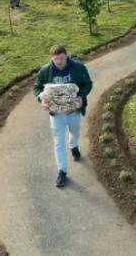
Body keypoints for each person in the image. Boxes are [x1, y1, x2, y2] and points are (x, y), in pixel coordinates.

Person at [33, 45, 93, 188]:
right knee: (58, 142)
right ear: (51, 58)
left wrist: (81, 96)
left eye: (60, 58)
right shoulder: (45, 71)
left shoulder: (78, 68)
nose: (58, 61)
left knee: (75, 132)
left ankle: (73, 146)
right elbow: (37, 87)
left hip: (74, 111)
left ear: (66, 56)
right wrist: (41, 99)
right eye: (55, 59)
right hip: (56, 114)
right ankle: (62, 171)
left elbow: (88, 84)